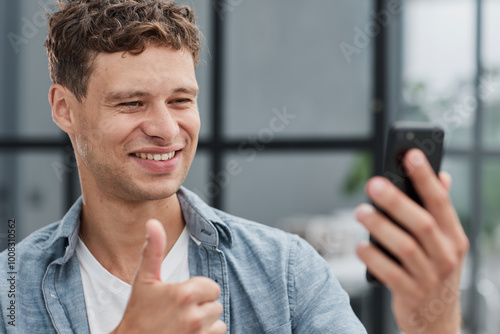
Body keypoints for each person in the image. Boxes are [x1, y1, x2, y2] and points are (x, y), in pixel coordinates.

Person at [0, 0, 469, 333]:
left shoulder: (286, 272)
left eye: (181, 100)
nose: (166, 129)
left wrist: (435, 323)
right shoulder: (10, 292)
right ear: (65, 109)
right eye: (131, 103)